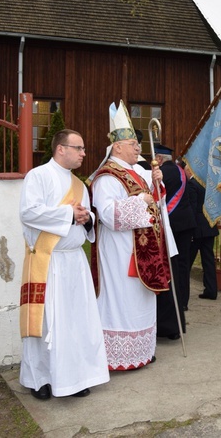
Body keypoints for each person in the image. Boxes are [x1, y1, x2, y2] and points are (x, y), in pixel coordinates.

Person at [19, 129, 109, 400]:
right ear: (61, 149)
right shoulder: (38, 176)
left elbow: (87, 216)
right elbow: (28, 212)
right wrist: (69, 213)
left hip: (74, 262)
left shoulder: (79, 185)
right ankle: (41, 379)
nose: (83, 153)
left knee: (77, 321)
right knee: (47, 323)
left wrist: (86, 218)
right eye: (78, 148)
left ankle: (76, 377)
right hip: (48, 261)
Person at [91, 103, 172, 370]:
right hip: (120, 250)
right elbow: (108, 214)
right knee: (121, 300)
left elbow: (158, 204)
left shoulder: (137, 171)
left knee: (141, 301)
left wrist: (157, 184)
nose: (138, 148)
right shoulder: (107, 177)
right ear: (116, 147)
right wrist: (143, 200)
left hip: (144, 248)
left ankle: (143, 351)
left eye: (138, 143)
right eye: (132, 143)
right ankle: (117, 356)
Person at [154, 144, 195, 336]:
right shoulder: (179, 170)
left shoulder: (161, 173)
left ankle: (174, 310)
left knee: (171, 268)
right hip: (186, 224)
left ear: (159, 159)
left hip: (172, 226)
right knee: (182, 267)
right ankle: (183, 304)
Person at [186, 164, 220, 300]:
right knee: (208, 260)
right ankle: (211, 290)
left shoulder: (192, 184)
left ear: (190, 170)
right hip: (209, 225)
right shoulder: (208, 184)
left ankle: (182, 292)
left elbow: (192, 208)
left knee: (187, 261)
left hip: (197, 228)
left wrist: (190, 228)